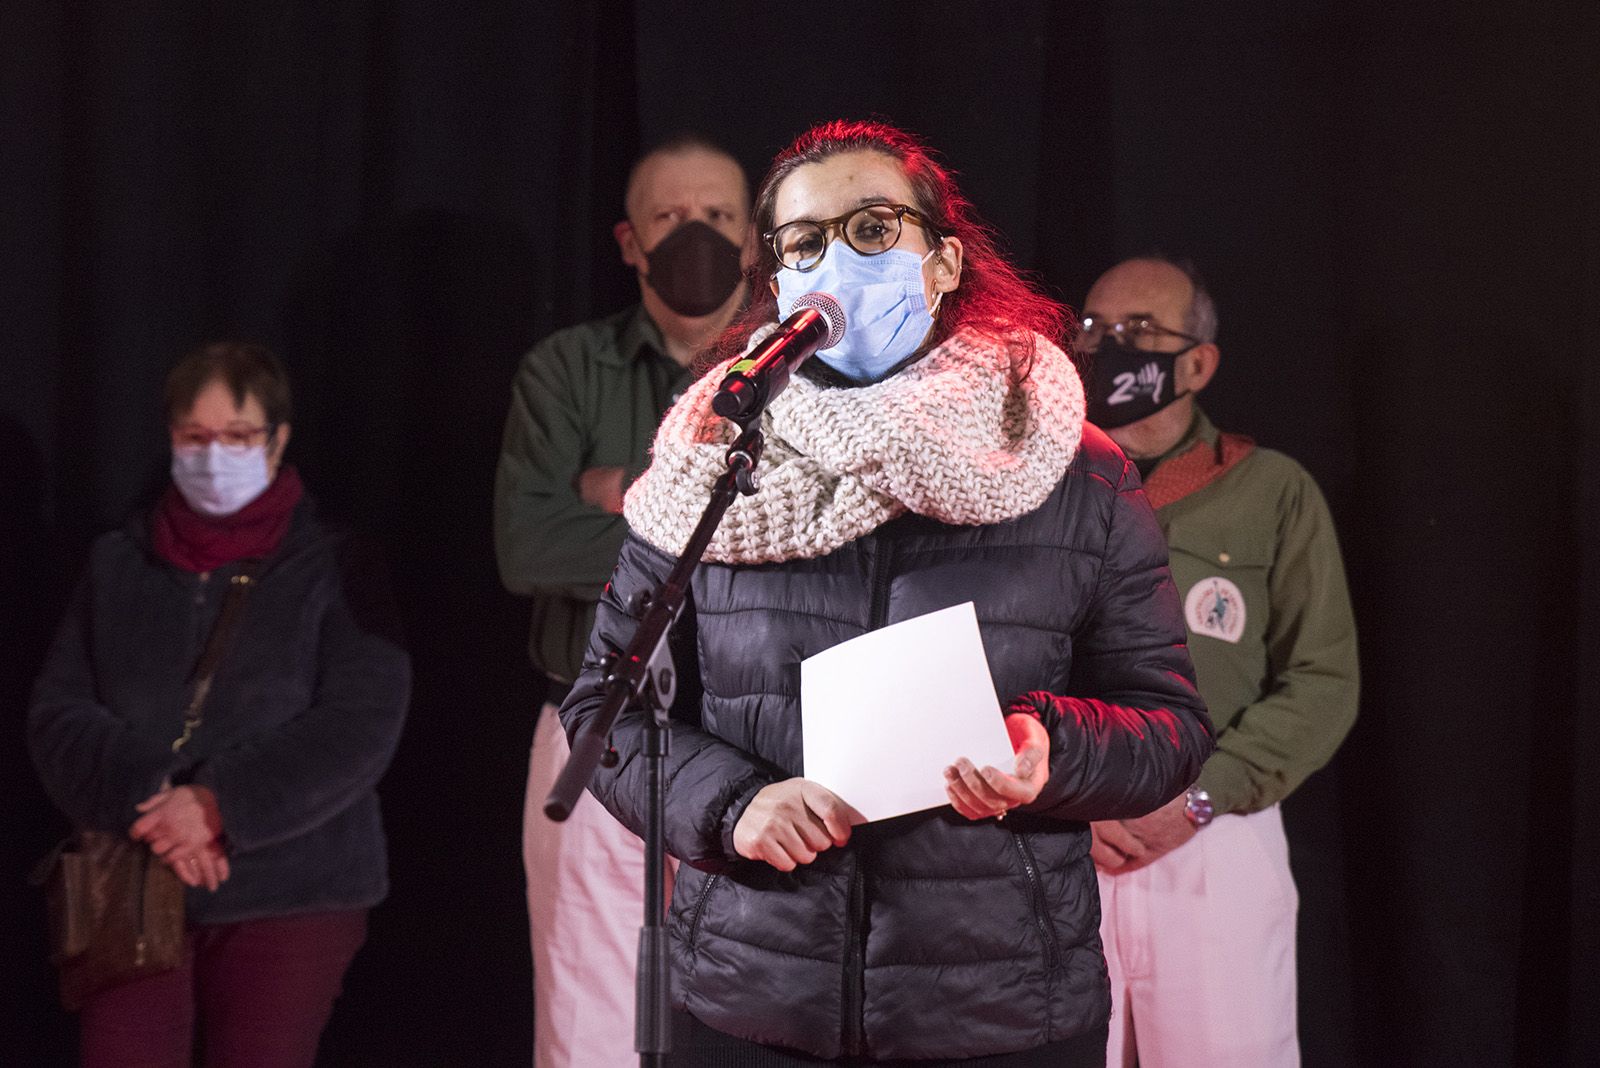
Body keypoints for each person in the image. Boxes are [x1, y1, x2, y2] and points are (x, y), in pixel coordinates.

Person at [560, 119, 1216, 1066]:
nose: (838, 259)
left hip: (1000, 1007)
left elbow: (1170, 727)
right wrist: (734, 804)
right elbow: (604, 713)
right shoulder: (711, 466)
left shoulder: (1076, 470)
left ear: (943, 261)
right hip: (751, 1000)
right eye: (804, 242)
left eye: (873, 229)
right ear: (777, 282)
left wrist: (1049, 751)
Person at [28, 341, 411, 1068]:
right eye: (195, 437)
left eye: (236, 437)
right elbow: (58, 715)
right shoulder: (116, 560)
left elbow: (360, 723)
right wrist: (153, 797)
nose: (214, 455)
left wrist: (217, 805)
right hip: (131, 881)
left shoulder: (337, 562)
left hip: (295, 890)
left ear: (278, 440)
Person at [493, 134, 751, 1067]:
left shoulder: (804, 370)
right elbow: (528, 546)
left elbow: (817, 538)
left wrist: (627, 493)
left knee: (756, 1005)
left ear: (756, 235)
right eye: (670, 218)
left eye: (719, 217)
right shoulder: (567, 369)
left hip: (756, 731)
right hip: (597, 716)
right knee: (592, 1010)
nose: (698, 236)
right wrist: (708, 521)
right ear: (629, 241)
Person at [1077, 256, 1360, 1068]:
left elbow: (1322, 680)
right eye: (1093, 331)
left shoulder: (1269, 490)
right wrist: (1068, 799)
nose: (1109, 350)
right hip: (1070, 831)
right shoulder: (1043, 485)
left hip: (1214, 832)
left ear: (1197, 362)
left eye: (1139, 333)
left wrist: (1200, 799)